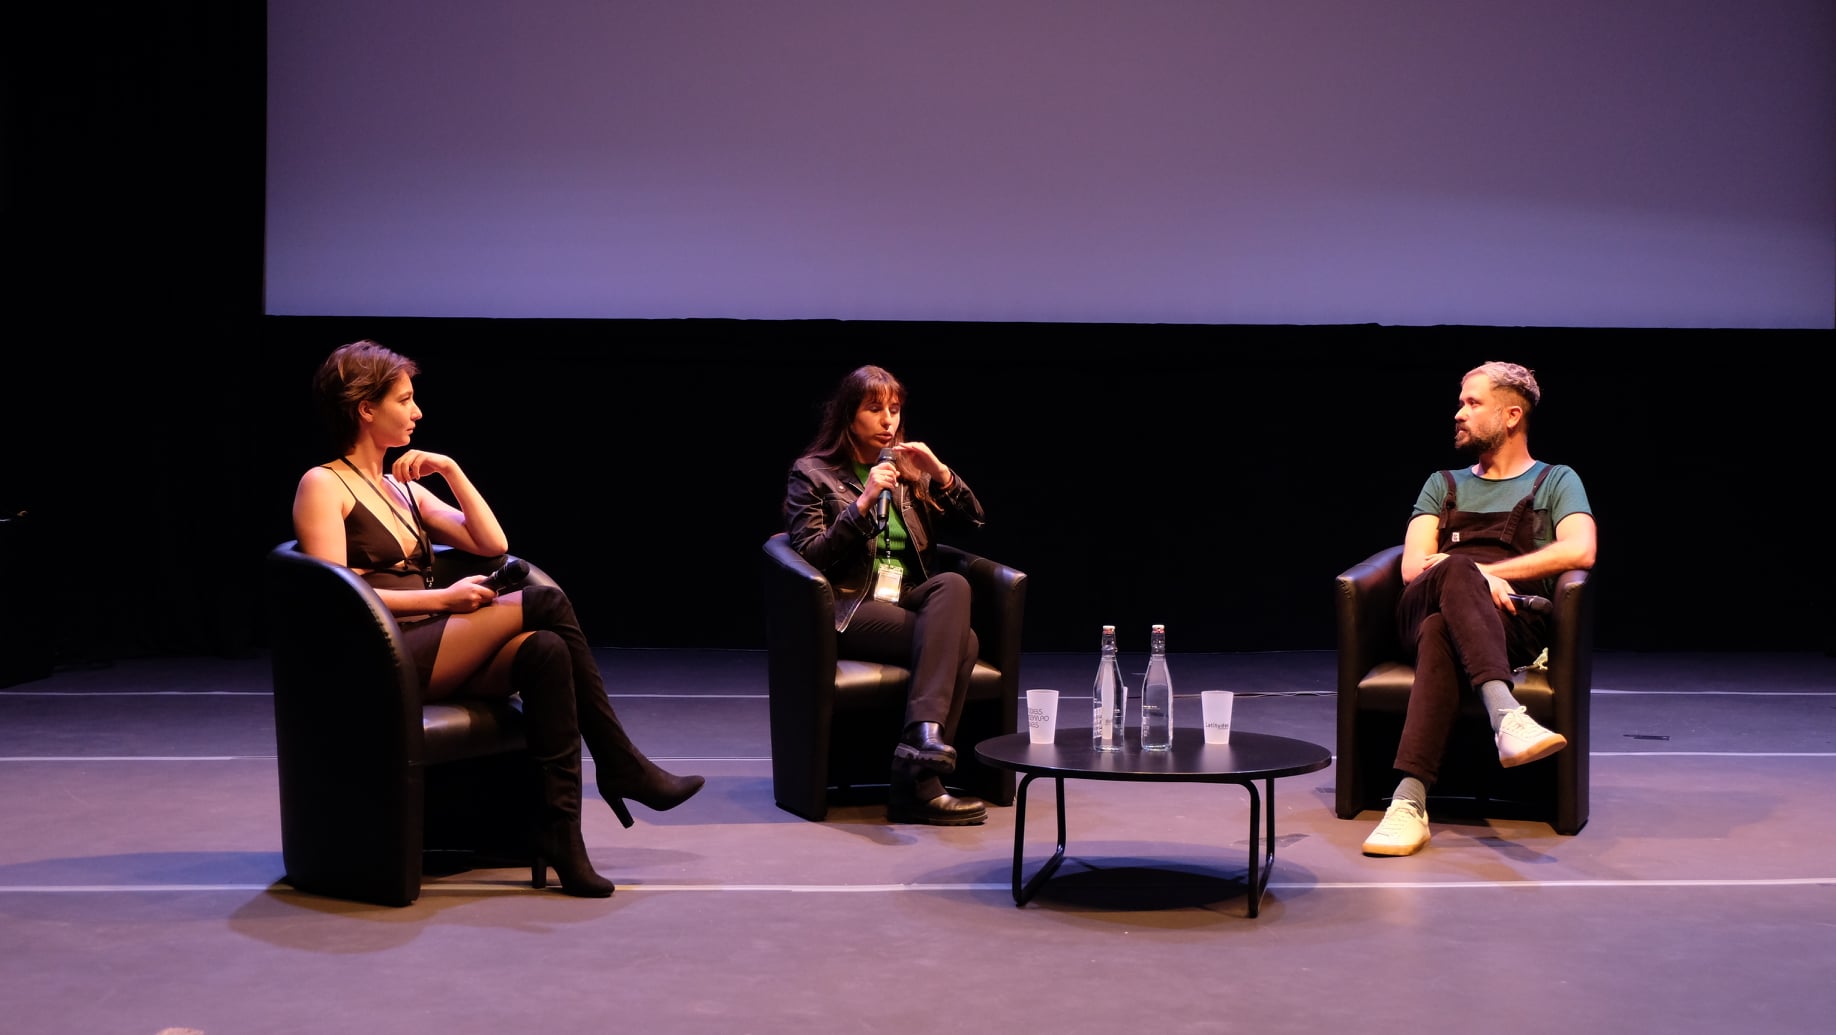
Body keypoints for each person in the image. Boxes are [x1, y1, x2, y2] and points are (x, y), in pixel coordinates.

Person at [291, 340, 704, 896]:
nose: (417, 413)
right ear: (366, 408)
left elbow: (492, 542)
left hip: (431, 645)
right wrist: (443, 599)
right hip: (381, 658)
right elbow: (337, 599)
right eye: (404, 400)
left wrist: (451, 470)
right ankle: (621, 764)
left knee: (545, 651)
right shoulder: (322, 484)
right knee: (545, 602)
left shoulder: (400, 489)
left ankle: (561, 835)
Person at [1362, 360, 1598, 857]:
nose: (1459, 413)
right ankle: (1506, 715)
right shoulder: (1442, 483)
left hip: (1510, 622)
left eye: (1473, 403)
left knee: (1441, 630)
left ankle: (1408, 803)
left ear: (1512, 416)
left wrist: (1490, 574)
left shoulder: (1556, 480)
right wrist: (1472, 573)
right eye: (1461, 403)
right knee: (1450, 575)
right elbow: (1412, 566)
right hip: (1422, 601)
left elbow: (1581, 549)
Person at [782, 364, 991, 826]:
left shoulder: (909, 470)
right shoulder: (812, 473)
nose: (888, 421)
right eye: (874, 409)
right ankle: (919, 783)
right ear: (848, 415)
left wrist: (940, 474)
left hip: (905, 599)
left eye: (894, 410)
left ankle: (921, 739)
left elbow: (975, 521)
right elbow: (810, 556)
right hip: (849, 606)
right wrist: (861, 504)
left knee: (953, 584)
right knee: (966, 643)